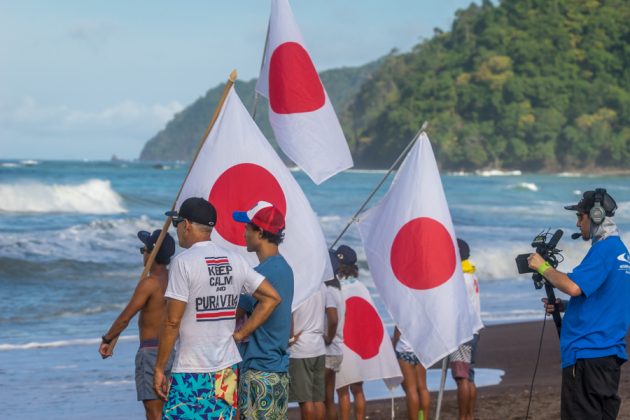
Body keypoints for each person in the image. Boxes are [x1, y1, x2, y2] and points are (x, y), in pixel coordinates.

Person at [152, 197, 282, 419]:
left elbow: (172, 322)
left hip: (191, 369)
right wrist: (241, 333)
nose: (177, 230)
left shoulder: (183, 262)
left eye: (177, 225)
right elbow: (271, 297)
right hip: (226, 369)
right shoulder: (235, 259)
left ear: (187, 225)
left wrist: (159, 368)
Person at [528, 188, 630, 419]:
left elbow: (573, 287)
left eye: (579, 216)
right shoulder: (620, 252)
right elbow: (610, 297)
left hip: (588, 354)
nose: (577, 224)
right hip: (607, 354)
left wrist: (543, 267)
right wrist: (566, 306)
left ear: (595, 215)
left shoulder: (604, 250)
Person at [99, 229, 176, 420]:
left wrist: (107, 339)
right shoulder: (176, 279)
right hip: (172, 350)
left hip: (151, 353)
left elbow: (125, 317)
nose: (143, 254)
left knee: (154, 412)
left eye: (144, 249)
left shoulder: (150, 283)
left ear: (152, 253)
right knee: (169, 408)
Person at [232, 201, 294, 419]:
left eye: (247, 227)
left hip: (260, 368)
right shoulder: (284, 268)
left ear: (260, 232)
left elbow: (235, 313)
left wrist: (239, 333)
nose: (244, 232)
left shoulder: (261, 275)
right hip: (277, 368)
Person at [447, 238, 483, 420]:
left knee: (462, 378)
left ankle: (463, 417)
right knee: (469, 376)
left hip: (462, 332)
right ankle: (469, 416)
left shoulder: (460, 277)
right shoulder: (471, 273)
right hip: (474, 329)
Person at [332, 245, 365, 420]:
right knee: (358, 389)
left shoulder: (337, 287)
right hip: (359, 344)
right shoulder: (360, 286)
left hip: (343, 343)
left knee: (342, 391)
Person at [289, 283, 327, 420]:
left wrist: (290, 338)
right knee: (318, 399)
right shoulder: (321, 285)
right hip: (319, 345)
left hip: (301, 348)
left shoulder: (297, 285)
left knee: (305, 400)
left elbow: (290, 314)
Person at [324, 250, 345, 420]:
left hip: (329, 349)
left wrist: (328, 338)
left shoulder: (328, 290)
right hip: (337, 349)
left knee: (320, 398)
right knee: (329, 399)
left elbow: (333, 319)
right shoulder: (338, 289)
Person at [392, 326, 430, 420]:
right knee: (423, 388)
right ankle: (422, 418)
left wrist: (392, 347)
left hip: (405, 349)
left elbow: (398, 332)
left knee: (411, 390)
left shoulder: (402, 310)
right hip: (421, 349)